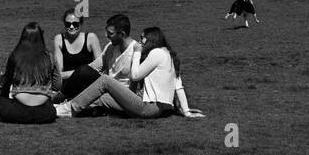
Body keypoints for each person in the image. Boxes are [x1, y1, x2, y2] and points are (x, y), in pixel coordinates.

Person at [55, 26, 204, 119]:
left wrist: (137, 53)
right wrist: (186, 111)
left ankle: (68, 109)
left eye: (142, 38)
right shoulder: (168, 55)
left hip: (146, 107)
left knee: (105, 81)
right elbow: (178, 86)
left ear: (151, 39)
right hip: (149, 107)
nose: (140, 42)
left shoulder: (157, 53)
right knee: (102, 98)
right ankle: (63, 107)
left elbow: (135, 75)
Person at [0, 23, 63, 124]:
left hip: (19, 111)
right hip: (45, 113)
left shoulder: (14, 56)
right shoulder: (49, 57)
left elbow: (5, 82)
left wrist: (4, 96)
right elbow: (57, 85)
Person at [53, 10, 102, 100]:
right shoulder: (59, 39)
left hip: (87, 85)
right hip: (68, 86)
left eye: (75, 24)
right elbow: (59, 74)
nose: (71, 27)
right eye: (68, 24)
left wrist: (78, 73)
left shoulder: (91, 38)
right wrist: (81, 72)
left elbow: (100, 68)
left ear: (81, 24)